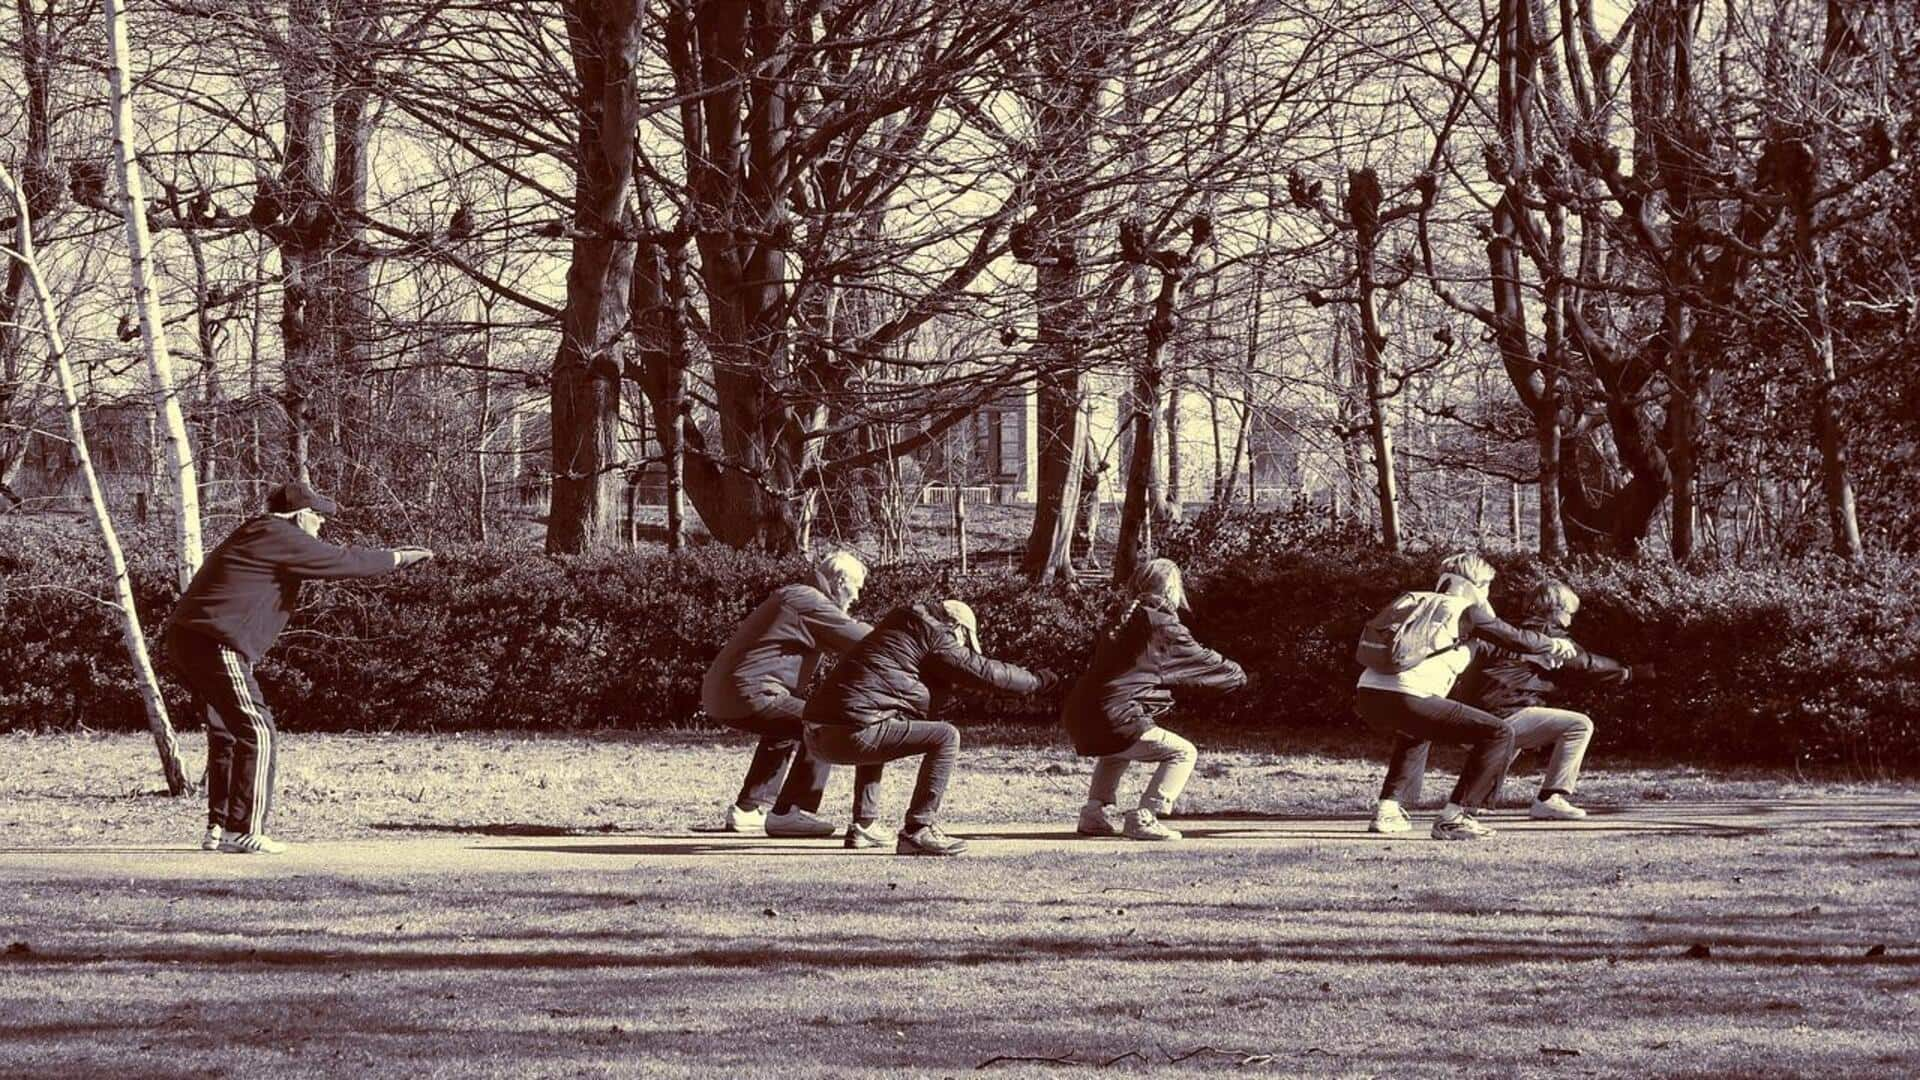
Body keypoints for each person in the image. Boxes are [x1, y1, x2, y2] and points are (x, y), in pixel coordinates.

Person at [164, 481, 433, 854]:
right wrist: (399, 558)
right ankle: (243, 830)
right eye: (319, 517)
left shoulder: (256, 532)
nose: (321, 525)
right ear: (301, 515)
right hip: (215, 641)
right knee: (258, 730)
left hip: (190, 639)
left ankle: (221, 825)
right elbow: (342, 561)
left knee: (227, 731)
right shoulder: (277, 533)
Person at [803, 599, 1059, 855]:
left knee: (882, 720)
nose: (962, 646)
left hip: (815, 735)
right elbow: (985, 672)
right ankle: (918, 829)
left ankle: (864, 825)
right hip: (850, 734)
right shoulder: (935, 635)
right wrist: (1035, 681)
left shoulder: (898, 631)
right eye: (964, 640)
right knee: (945, 736)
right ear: (956, 627)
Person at [1358, 553, 1575, 840]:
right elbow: (1514, 637)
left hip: (1368, 695)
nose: (1488, 594)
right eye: (1487, 586)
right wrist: (1553, 644)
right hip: (1408, 695)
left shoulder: (1416, 601)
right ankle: (1456, 816)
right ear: (1474, 584)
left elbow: (1483, 646)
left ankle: (1388, 811)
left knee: (1417, 732)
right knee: (1499, 733)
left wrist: (1533, 653)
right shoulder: (1466, 609)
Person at [1063, 559, 1246, 841]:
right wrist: (1239, 674)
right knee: (1183, 753)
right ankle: (1146, 815)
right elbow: (1204, 663)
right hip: (1115, 715)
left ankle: (1093, 813)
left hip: (1080, 713)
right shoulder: (1164, 627)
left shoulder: (1121, 620)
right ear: (1172, 589)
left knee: (1115, 753)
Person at [702, 550, 872, 838]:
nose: (856, 598)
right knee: (829, 723)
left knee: (786, 724)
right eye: (856, 589)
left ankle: (748, 809)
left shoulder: (797, 596)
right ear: (841, 581)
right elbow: (866, 641)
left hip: (724, 693)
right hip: (750, 692)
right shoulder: (809, 601)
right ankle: (790, 811)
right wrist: (909, 639)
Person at [1452, 579, 1652, 820]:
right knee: (1579, 725)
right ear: (1557, 610)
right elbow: (1585, 665)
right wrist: (1628, 673)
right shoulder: (1549, 634)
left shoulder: (1511, 630)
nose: (1571, 620)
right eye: (1570, 613)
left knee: (1513, 736)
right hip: (1504, 711)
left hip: (1472, 714)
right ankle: (1550, 798)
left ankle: (1477, 800)